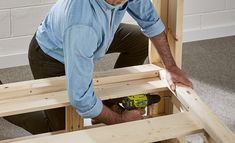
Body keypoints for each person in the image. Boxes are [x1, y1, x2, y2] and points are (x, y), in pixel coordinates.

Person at [6, 0, 192, 134]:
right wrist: (118, 120)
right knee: (61, 131)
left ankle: (114, 103)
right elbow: (80, 99)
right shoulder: (82, 24)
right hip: (51, 54)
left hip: (99, 35)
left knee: (140, 41)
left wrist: (171, 66)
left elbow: (150, 21)